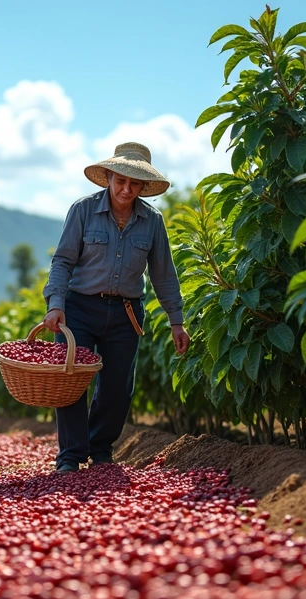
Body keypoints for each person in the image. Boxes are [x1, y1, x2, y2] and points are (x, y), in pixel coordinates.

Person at [41, 142, 190, 474]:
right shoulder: (82, 210)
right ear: (108, 176)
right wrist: (56, 304)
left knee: (117, 388)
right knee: (72, 380)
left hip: (126, 313)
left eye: (134, 184)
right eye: (120, 180)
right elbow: (63, 261)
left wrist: (176, 321)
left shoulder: (152, 221)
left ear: (143, 187)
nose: (126, 189)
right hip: (79, 308)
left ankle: (101, 447)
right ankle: (70, 455)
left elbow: (164, 274)